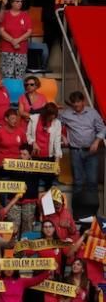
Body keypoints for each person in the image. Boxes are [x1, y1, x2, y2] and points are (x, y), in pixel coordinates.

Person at [58, 91, 105, 219]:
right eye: (74, 104)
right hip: (75, 151)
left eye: (79, 103)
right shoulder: (66, 113)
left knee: (92, 182)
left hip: (92, 152)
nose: (77, 106)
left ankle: (93, 214)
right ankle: (77, 215)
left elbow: (102, 128)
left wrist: (97, 141)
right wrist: (63, 135)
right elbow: (55, 124)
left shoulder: (92, 113)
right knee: (78, 182)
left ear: (83, 101)